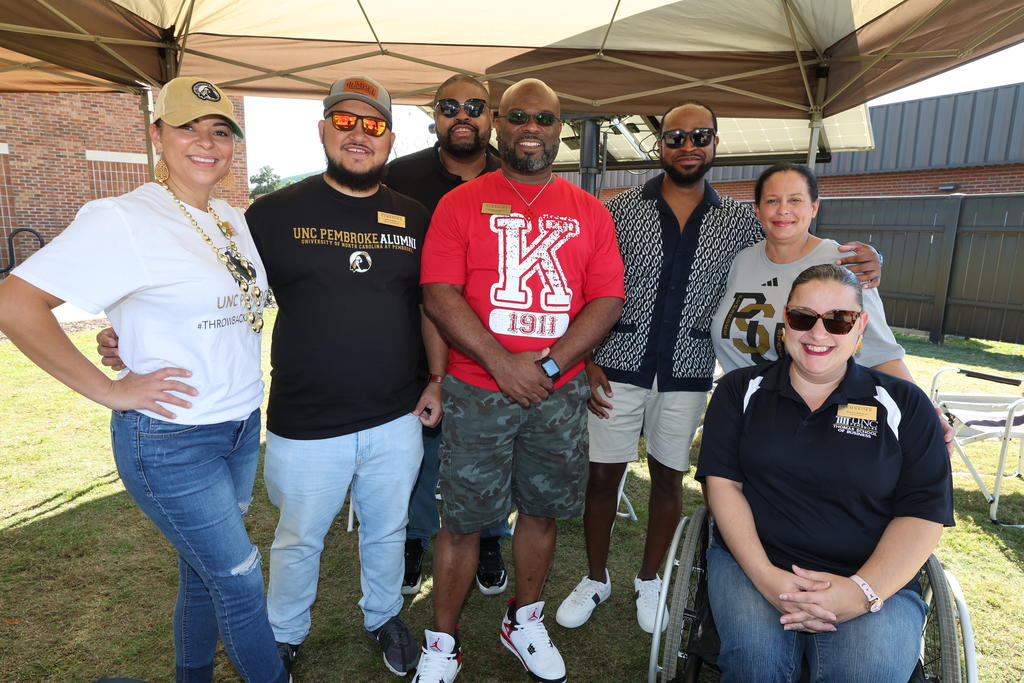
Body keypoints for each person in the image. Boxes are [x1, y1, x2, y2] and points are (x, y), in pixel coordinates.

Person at [97, 75, 441, 678]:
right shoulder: (272, 215)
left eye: (374, 125)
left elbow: (430, 305)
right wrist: (131, 333)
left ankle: (384, 615)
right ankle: (284, 632)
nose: (359, 135)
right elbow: (215, 290)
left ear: (389, 138)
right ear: (323, 129)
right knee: (297, 538)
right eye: (344, 121)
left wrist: (435, 380)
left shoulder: (415, 216)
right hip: (305, 420)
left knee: (388, 530)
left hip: (398, 414)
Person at [555, 101, 882, 635]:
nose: (688, 145)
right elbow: (584, 284)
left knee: (668, 479)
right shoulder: (619, 209)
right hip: (615, 365)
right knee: (601, 478)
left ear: (715, 143)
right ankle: (595, 577)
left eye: (699, 136)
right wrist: (586, 358)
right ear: (660, 144)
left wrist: (870, 261)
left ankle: (649, 577)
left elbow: (794, 250)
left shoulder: (737, 221)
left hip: (687, 372)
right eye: (676, 135)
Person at [0, 77, 286, 682]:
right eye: (187, 126)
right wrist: (111, 388)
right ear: (156, 135)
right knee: (238, 581)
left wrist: (125, 338)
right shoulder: (122, 218)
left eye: (219, 130)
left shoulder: (232, 219)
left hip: (237, 427)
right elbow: (15, 303)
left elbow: (205, 313)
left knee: (202, 572)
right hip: (170, 440)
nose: (205, 142)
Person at [412, 77, 625, 683]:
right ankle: (442, 641)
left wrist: (551, 366)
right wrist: (504, 364)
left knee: (541, 511)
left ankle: (522, 618)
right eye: (518, 118)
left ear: (560, 129)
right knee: (463, 519)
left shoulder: (590, 211)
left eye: (545, 119)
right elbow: (439, 295)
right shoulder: (461, 203)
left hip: (558, 396)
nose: (532, 129)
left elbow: (607, 300)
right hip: (478, 389)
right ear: (498, 126)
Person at [696, 263, 954, 682]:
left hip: (871, 572)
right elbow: (722, 486)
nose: (818, 334)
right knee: (756, 665)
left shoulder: (905, 405)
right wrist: (766, 578)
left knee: (868, 671)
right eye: (803, 317)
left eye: (839, 320)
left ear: (860, 326)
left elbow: (924, 512)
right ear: (785, 320)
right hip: (756, 563)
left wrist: (860, 592)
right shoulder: (737, 391)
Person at [384, 73, 511, 598]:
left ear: (492, 118)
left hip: (494, 352)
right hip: (412, 343)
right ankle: (415, 539)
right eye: (450, 106)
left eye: (475, 106)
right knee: (419, 452)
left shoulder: (519, 177)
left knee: (490, 454)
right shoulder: (397, 177)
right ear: (434, 115)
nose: (463, 115)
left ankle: (488, 538)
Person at [712, 162, 912, 379]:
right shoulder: (741, 261)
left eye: (795, 200)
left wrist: (920, 408)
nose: (783, 210)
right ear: (757, 210)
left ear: (814, 207)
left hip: (809, 407)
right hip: (739, 404)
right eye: (772, 201)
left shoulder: (844, 264)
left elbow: (881, 353)